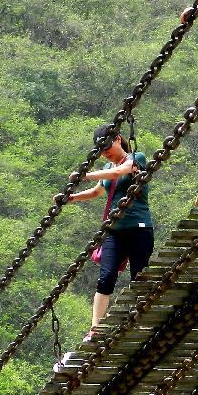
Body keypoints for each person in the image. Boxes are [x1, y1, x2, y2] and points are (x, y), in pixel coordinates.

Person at [67, 125, 154, 346]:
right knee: (105, 278)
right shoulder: (107, 166)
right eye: (101, 149)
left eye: (107, 146)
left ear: (118, 139)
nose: (105, 152)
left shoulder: (137, 158)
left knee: (138, 276)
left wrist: (85, 174)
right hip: (115, 232)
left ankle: (140, 322)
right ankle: (95, 330)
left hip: (139, 228)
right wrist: (71, 198)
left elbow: (119, 172)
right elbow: (98, 192)